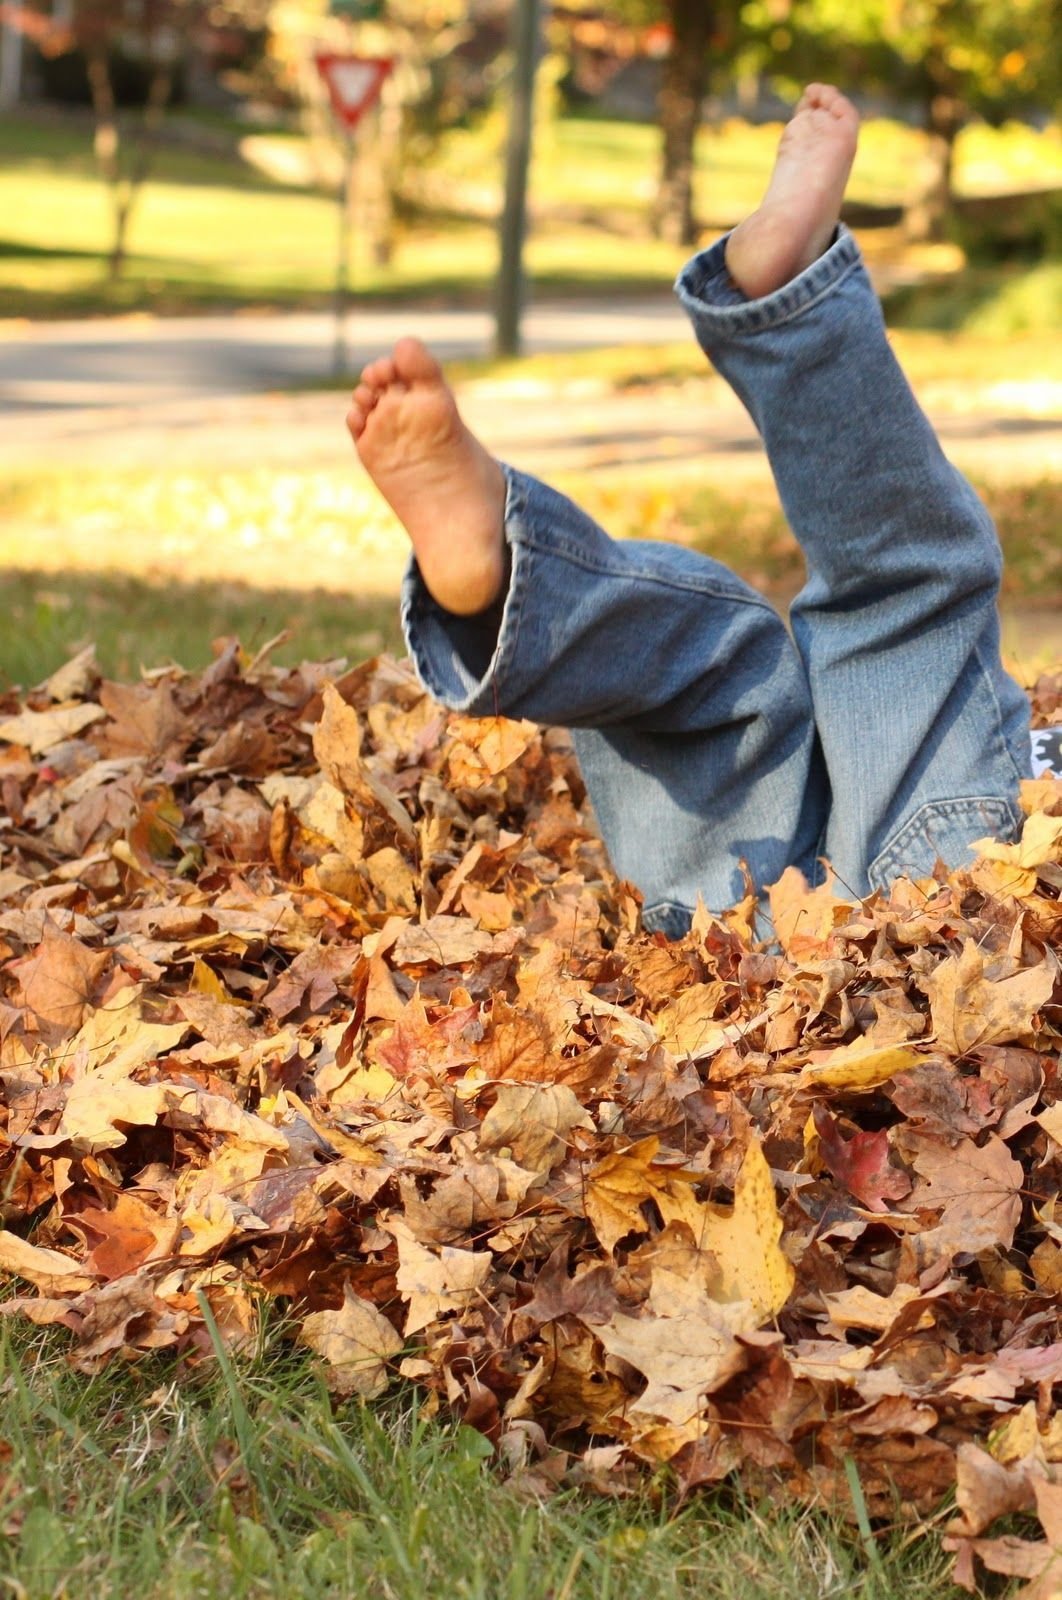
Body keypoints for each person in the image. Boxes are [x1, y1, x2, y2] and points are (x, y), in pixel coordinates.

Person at [346, 85, 1031, 939]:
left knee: (883, 603)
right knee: (732, 672)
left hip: (945, 880)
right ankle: (503, 582)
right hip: (777, 920)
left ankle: (517, 582)